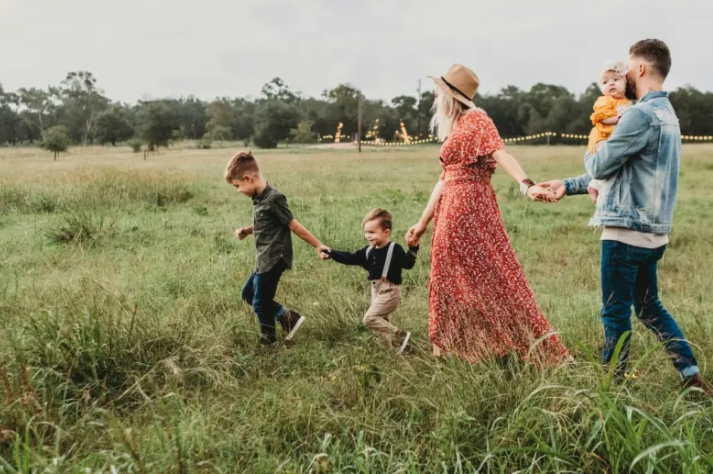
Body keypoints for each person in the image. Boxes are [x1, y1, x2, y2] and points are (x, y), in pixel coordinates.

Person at [539, 40, 710, 391]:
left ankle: (612, 390)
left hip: (624, 232)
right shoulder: (668, 115)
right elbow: (622, 172)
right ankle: (690, 376)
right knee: (649, 309)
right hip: (654, 234)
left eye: (629, 69)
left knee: (615, 313)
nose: (625, 75)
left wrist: (595, 147)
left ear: (642, 69)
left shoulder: (638, 114)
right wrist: (568, 185)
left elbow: (602, 163)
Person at [405, 63, 570, 364]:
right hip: (451, 209)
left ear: (451, 95)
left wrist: (527, 185)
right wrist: (422, 223)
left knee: (492, 278)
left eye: (438, 89)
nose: (433, 94)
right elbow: (444, 179)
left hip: (469, 209)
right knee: (450, 280)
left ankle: (515, 346)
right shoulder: (457, 127)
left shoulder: (477, 120)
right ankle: (465, 349)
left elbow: (500, 152)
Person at [226, 150, 330, 345]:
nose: (238, 190)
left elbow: (293, 225)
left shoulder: (274, 198)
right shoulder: (258, 198)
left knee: (260, 302)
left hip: (274, 258)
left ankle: (269, 339)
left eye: (237, 186)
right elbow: (265, 223)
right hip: (263, 258)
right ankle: (288, 318)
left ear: (248, 178)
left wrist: (318, 245)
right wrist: (247, 231)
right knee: (248, 294)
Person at [323, 208, 418, 353]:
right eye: (366, 232)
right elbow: (349, 257)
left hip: (390, 292)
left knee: (370, 319)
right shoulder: (368, 251)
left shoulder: (394, 249)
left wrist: (413, 248)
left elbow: (408, 264)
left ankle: (400, 335)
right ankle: (394, 351)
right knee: (381, 326)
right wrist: (331, 253)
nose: (368, 236)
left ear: (386, 232)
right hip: (376, 291)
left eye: (372, 232)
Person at [587, 60, 633, 205]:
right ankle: (597, 188)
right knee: (607, 158)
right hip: (602, 137)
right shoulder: (604, 100)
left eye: (616, 80)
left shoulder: (626, 101)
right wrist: (616, 119)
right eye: (606, 82)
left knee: (613, 163)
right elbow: (600, 117)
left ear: (625, 83)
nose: (611, 84)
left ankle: (595, 185)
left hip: (613, 137)